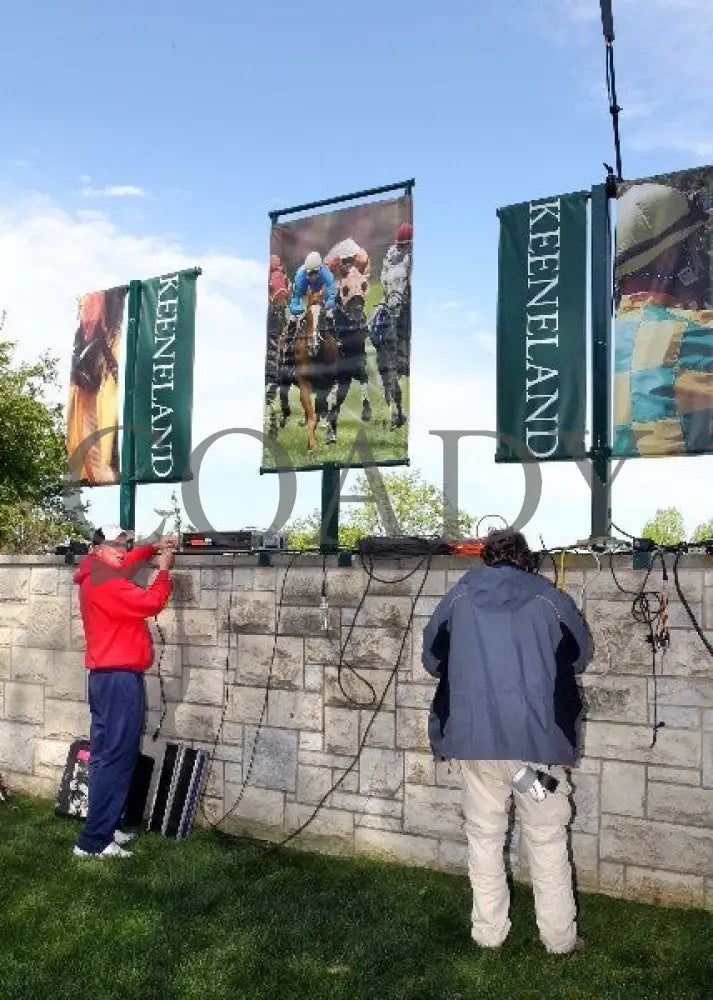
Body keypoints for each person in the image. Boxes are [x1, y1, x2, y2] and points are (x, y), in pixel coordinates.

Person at [422, 529, 593, 954]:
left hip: (476, 742)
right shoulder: (551, 599)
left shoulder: (458, 597)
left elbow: (432, 659)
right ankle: (559, 940)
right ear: (526, 560)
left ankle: (489, 934)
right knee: (548, 840)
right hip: (538, 748)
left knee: (484, 838)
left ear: (486, 559)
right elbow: (579, 656)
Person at [72, 525, 176, 859]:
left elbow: (128, 561)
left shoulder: (96, 573)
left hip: (106, 677)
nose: (121, 548)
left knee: (107, 756)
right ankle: (94, 841)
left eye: (124, 543)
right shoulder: (107, 582)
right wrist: (163, 571)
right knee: (115, 757)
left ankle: (104, 825)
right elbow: (151, 602)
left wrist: (149, 548)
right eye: (114, 544)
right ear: (95, 548)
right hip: (118, 679)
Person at [288, 251, 337, 320]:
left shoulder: (326, 272)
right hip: (304, 295)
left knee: (330, 314)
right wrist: (297, 308)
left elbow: (331, 290)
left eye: (315, 273)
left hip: (320, 295)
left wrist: (328, 303)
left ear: (320, 269)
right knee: (293, 317)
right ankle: (291, 329)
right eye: (310, 274)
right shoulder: (300, 276)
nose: (313, 277)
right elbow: (296, 297)